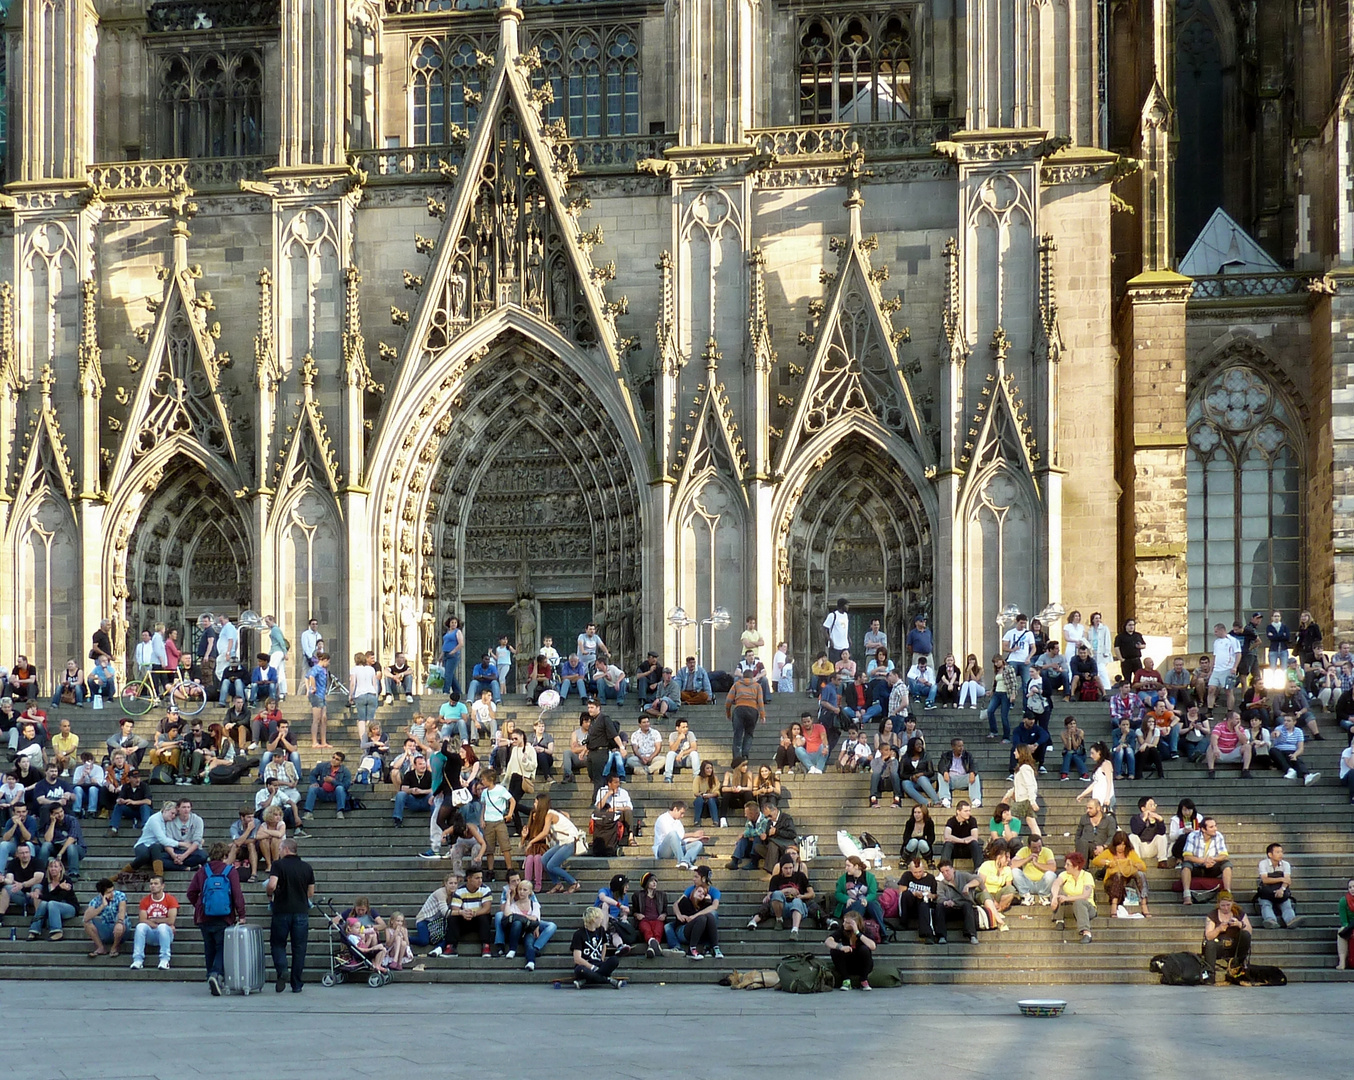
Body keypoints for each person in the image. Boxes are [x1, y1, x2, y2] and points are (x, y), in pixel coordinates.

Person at [186, 842, 247, 994]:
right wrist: (242, 914)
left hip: (204, 916)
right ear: (225, 856)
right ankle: (215, 974)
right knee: (222, 947)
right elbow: (237, 894)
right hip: (224, 916)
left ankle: (210, 977)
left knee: (209, 947)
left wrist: (200, 905)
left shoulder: (203, 871)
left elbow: (191, 893)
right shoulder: (230, 871)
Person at [267, 838, 315, 991]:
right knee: (299, 948)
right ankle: (296, 984)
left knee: (277, 944)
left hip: (281, 911)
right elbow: (311, 892)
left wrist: (270, 893)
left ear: (286, 849)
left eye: (280, 849)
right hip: (301, 912)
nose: (279, 852)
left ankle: (282, 971)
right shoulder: (307, 867)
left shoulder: (278, 865)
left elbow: (272, 884)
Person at [1092, 831, 1151, 918]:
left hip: (1127, 879)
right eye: (1119, 845)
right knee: (1118, 875)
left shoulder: (1130, 853)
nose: (1121, 847)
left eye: (1123, 845)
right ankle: (1114, 905)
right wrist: (1108, 862)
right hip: (1112, 882)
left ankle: (1144, 904)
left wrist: (1134, 864)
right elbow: (1095, 861)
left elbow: (1143, 866)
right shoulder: (1109, 852)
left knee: (1141, 874)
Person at [438, 867, 494, 957]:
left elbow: (487, 908)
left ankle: (486, 946)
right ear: (469, 878)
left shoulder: (485, 889)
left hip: (478, 919)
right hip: (464, 919)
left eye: (481, 878)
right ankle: (451, 947)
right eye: (477, 878)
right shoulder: (460, 891)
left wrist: (474, 913)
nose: (480, 881)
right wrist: (463, 913)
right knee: (453, 917)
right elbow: (455, 909)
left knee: (485, 916)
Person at [129, 875, 177, 969]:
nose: (153, 886)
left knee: (162, 927)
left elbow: (171, 920)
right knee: (140, 926)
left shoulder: (170, 899)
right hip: (150, 934)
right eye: (151, 884)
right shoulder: (145, 900)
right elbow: (143, 919)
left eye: (156, 883)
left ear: (162, 886)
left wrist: (154, 920)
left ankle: (164, 960)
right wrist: (159, 924)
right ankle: (137, 960)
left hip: (166, 934)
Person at [1181, 815, 1232, 901]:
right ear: (1203, 829)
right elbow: (1186, 856)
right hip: (1196, 867)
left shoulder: (1218, 836)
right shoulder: (1193, 836)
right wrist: (1204, 861)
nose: (1215, 829)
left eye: (1215, 826)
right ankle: (1187, 894)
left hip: (1212, 867)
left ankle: (1227, 893)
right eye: (1211, 827)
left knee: (1227, 864)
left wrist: (1213, 859)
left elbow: (1224, 855)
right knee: (1186, 865)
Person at [571, 906, 624, 988]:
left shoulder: (601, 930)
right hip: (585, 965)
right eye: (599, 918)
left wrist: (601, 960)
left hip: (598, 963)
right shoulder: (579, 934)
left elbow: (604, 945)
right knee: (580, 970)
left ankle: (587, 980)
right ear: (593, 919)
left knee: (614, 960)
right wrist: (592, 967)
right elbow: (577, 959)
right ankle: (607, 980)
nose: (602, 920)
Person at [27, 859, 78, 942]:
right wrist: (39, 896)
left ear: (61, 868)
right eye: (51, 867)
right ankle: (34, 930)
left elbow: (58, 898)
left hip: (69, 907)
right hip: (52, 907)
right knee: (43, 903)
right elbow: (47, 896)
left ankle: (57, 931)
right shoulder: (46, 881)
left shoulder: (66, 880)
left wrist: (42, 896)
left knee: (52, 903)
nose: (53, 869)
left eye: (56, 866)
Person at [1203, 890, 1252, 976]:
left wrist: (1240, 924)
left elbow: (1249, 931)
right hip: (1219, 945)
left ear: (1232, 903)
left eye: (1228, 905)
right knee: (1210, 944)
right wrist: (1218, 929)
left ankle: (1238, 964)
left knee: (1245, 935)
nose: (1226, 908)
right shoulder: (1213, 915)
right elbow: (1208, 936)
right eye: (1223, 905)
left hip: (1235, 946)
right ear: (1218, 904)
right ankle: (1210, 975)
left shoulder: (1239, 913)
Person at [1051, 851, 1097, 943]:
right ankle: (1059, 920)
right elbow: (1056, 883)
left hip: (1086, 908)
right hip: (1070, 908)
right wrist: (1054, 897)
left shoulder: (1087, 876)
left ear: (1076, 867)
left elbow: (1085, 896)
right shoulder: (1065, 874)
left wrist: (1067, 898)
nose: (1065, 867)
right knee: (1057, 891)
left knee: (1079, 902)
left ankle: (1086, 933)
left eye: (1068, 865)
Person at [936, 859, 981, 944]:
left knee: (967, 906)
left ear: (953, 869)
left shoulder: (963, 876)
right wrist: (946, 902)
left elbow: (979, 880)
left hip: (964, 905)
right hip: (950, 908)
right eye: (943, 872)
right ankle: (941, 936)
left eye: (947, 871)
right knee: (939, 907)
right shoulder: (941, 884)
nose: (946, 874)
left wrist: (967, 885)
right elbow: (940, 897)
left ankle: (972, 935)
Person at [1256, 842, 1301, 929]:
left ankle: (1291, 920)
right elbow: (1265, 879)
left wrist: (1282, 889)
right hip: (1267, 891)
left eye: (1281, 852)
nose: (1280, 854)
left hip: (1280, 890)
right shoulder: (1263, 863)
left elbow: (1287, 880)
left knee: (1287, 904)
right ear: (1270, 854)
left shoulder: (1286, 864)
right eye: (1277, 852)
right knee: (1265, 904)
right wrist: (1281, 879)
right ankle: (1270, 920)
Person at [833, 855, 885, 929]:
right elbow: (838, 893)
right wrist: (847, 899)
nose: (846, 868)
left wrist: (866, 899)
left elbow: (873, 894)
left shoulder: (870, 877)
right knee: (858, 904)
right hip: (850, 907)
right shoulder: (843, 879)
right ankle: (855, 932)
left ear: (856, 866)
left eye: (848, 866)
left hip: (866, 904)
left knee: (873, 905)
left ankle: (883, 934)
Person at [1270, 711, 1321, 785]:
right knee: (1273, 750)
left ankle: (1306, 776)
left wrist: (1295, 755)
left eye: (1288, 721)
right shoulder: (1280, 728)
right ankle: (1289, 770)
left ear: (1294, 722)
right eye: (1285, 721)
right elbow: (1275, 732)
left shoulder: (1298, 731)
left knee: (1295, 759)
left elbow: (1301, 748)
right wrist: (1275, 734)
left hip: (1292, 751)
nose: (1286, 723)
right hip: (1279, 751)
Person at [82, 878, 128, 958]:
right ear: (102, 893)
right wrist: (102, 906)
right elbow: (86, 918)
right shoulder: (96, 901)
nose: (112, 894)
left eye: (112, 891)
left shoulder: (120, 895)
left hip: (121, 927)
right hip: (106, 926)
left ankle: (114, 947)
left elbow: (122, 910)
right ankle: (100, 947)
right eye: (109, 892)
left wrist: (120, 922)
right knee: (87, 922)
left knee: (121, 921)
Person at [652, 801, 705, 867]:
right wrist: (693, 834)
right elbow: (674, 837)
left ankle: (686, 861)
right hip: (663, 850)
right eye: (681, 813)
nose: (682, 816)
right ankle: (681, 861)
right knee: (673, 834)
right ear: (675, 809)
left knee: (698, 844)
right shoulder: (662, 819)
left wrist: (697, 839)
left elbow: (682, 839)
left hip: (677, 849)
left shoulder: (678, 822)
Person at [937, 736, 983, 809]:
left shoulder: (967, 755)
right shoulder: (946, 755)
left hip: (963, 779)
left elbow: (973, 765)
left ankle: (976, 800)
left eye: (962, 746)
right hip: (950, 780)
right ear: (953, 747)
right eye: (959, 746)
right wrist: (944, 772)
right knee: (940, 775)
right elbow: (941, 766)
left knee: (975, 775)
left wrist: (972, 772)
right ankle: (945, 799)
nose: (961, 748)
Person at [1206, 710, 1253, 779]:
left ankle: (1245, 770)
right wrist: (1215, 747)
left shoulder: (1240, 728)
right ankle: (1211, 771)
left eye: (1239, 719)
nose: (1239, 721)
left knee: (1247, 747)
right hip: (1219, 753)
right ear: (1230, 719)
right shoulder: (1220, 726)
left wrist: (1237, 730)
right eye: (1237, 719)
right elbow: (1214, 737)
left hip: (1232, 752)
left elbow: (1244, 742)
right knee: (1211, 747)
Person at [1012, 834, 1057, 903]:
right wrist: (1028, 858)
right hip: (1027, 883)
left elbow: (1053, 868)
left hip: (1042, 883)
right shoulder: (1024, 850)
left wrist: (1036, 864)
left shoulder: (1047, 851)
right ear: (1029, 847)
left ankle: (1044, 896)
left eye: (1040, 846)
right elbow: (1012, 865)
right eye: (1034, 848)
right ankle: (1026, 896)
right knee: (1014, 871)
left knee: (1051, 875)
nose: (1038, 850)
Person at [1129, 796, 1171, 868]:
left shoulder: (1157, 819)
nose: (1153, 807)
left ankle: (1162, 861)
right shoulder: (1135, 818)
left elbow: (1162, 832)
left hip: (1152, 847)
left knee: (1162, 836)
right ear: (1143, 808)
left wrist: (1160, 820)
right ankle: (1137, 862)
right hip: (1140, 847)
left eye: (1154, 805)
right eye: (1151, 805)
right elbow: (1135, 831)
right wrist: (1144, 819)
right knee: (1132, 836)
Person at [940, 801, 984, 867]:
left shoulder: (972, 820)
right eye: (966, 811)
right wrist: (963, 841)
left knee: (974, 844)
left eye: (969, 811)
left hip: (967, 850)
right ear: (958, 811)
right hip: (955, 849)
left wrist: (954, 839)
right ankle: (944, 869)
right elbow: (947, 836)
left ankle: (979, 869)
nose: (968, 813)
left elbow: (974, 837)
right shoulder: (951, 821)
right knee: (948, 844)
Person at [1073, 798, 1117, 863]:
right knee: (1082, 843)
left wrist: (1103, 847)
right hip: (1085, 847)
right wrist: (1077, 845)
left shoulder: (1109, 820)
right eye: (1087, 808)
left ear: (1098, 808)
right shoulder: (1084, 818)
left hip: (1103, 847)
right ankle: (1082, 870)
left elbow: (1112, 836)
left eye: (1090, 808)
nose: (1088, 810)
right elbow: (1078, 834)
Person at [1077, 743, 1116, 812]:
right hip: (1098, 798)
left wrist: (1107, 797)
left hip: (1105, 799)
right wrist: (1082, 794)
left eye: (1093, 753)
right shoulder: (1099, 765)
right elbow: (1095, 783)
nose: (1091, 756)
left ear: (1099, 752)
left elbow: (1109, 782)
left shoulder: (1106, 763)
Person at [663, 717, 701, 783]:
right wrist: (679, 739)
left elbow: (694, 747)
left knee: (694, 753)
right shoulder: (673, 735)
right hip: (676, 760)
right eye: (683, 727)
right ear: (677, 728)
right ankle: (668, 776)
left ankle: (696, 776)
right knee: (670, 754)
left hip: (687, 760)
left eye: (686, 727)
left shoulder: (690, 734)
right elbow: (672, 749)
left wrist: (682, 753)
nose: (685, 729)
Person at [823, 598, 851, 663]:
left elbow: (844, 628)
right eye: (846, 605)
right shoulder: (833, 615)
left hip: (845, 645)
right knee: (835, 665)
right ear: (842, 606)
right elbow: (824, 629)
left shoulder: (845, 615)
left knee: (846, 665)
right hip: (835, 646)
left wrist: (848, 638)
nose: (848, 607)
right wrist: (830, 640)